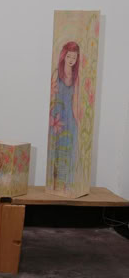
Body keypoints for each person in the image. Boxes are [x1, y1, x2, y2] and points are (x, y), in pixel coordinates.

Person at [48, 41, 81, 190]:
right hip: (57, 118)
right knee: (56, 150)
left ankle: (66, 185)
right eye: (69, 56)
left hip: (69, 118)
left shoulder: (76, 77)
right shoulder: (57, 73)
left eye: (74, 57)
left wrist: (77, 120)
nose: (71, 60)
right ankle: (55, 184)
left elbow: (75, 101)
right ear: (63, 56)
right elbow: (51, 97)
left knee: (68, 150)